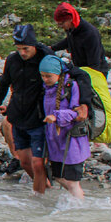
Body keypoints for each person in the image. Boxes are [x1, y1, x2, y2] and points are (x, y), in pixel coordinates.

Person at [0, 24, 51, 193]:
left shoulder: (46, 59)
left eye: (26, 48)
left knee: (38, 162)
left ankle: (41, 195)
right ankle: (45, 188)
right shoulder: (12, 60)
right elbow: (4, 81)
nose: (22, 53)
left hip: (39, 117)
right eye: (19, 49)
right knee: (24, 162)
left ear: (34, 45)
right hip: (18, 115)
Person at [40, 55, 89, 199]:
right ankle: (79, 199)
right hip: (55, 141)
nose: (45, 79)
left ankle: (78, 208)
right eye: (42, 76)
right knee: (57, 177)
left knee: (73, 182)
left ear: (58, 74)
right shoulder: (47, 88)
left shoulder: (71, 86)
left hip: (72, 141)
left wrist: (56, 117)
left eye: (48, 76)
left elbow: (77, 112)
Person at [50, 2, 109, 74]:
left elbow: (94, 63)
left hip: (97, 73)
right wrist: (52, 48)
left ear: (70, 19)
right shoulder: (72, 29)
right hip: (81, 68)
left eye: (61, 23)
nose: (60, 26)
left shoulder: (89, 34)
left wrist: (85, 78)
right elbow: (68, 41)